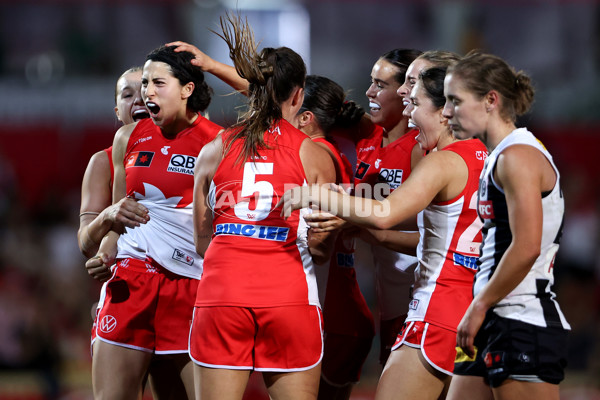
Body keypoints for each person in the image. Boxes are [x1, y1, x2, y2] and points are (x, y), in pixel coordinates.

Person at [280, 62, 488, 400]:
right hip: (473, 314)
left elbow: (385, 213)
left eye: (415, 104)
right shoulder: (488, 156)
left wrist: (319, 195)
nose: (408, 113)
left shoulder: (443, 161)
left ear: (446, 111)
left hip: (437, 312)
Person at [190, 13, 335, 400]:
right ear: (299, 96)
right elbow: (320, 249)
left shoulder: (213, 149)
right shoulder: (313, 155)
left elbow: (202, 241)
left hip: (223, 294)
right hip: (288, 296)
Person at [91, 45, 222, 400]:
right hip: (131, 282)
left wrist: (213, 65)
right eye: (145, 82)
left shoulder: (220, 143)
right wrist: (105, 251)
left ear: (187, 89)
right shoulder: (127, 138)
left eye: (157, 83)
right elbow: (119, 215)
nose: (147, 91)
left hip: (192, 286)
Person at [443, 51, 570, 400]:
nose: (446, 112)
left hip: (521, 320)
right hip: (494, 317)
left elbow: (527, 246)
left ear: (490, 100)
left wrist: (478, 305)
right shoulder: (500, 155)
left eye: (455, 101)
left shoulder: (518, 157)